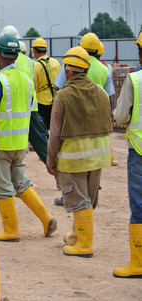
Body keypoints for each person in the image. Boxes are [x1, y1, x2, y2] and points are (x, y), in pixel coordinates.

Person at [0, 34, 57, 242]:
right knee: (19, 181)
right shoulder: (27, 80)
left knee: (1, 187)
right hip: (20, 143)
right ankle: (46, 218)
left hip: (1, 144)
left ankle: (11, 230)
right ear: (17, 55)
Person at [47, 46, 112, 258]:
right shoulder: (101, 93)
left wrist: (50, 158)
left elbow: (55, 134)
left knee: (78, 200)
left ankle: (84, 245)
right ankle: (76, 237)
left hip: (73, 159)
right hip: (98, 157)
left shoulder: (63, 96)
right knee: (87, 199)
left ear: (68, 70)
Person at [54, 32, 117, 206]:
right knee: (91, 168)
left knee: (76, 180)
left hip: (73, 121)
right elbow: (109, 95)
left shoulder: (69, 66)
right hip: (95, 123)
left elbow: (58, 86)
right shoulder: (106, 69)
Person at [0, 25, 49, 165]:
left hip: (12, 109)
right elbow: (33, 82)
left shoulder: (5, 60)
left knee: (10, 149)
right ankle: (58, 172)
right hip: (31, 107)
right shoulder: (28, 60)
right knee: (42, 143)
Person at [112, 48, 142, 277]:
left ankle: (138, 264)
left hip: (139, 151)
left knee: (139, 208)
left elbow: (121, 117)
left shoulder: (135, 79)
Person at [31, 38, 61, 130]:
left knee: (42, 129)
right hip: (55, 100)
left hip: (41, 102)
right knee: (53, 128)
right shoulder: (56, 62)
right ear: (46, 50)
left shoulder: (35, 65)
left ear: (34, 51)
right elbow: (61, 83)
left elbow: (34, 86)